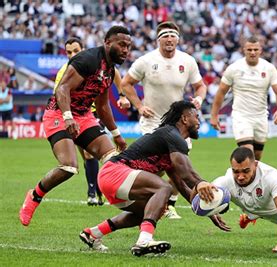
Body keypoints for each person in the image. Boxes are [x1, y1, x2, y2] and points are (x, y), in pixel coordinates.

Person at [80, 101, 229, 256]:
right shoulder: (173, 136)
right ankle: (144, 241)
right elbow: (187, 173)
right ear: (185, 119)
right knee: (164, 188)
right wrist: (201, 183)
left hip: (114, 180)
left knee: (152, 210)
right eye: (196, 117)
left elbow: (183, 185)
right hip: (115, 173)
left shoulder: (171, 142)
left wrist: (209, 210)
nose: (199, 121)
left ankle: (93, 234)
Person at [19, 26, 132, 227]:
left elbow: (104, 106)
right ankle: (34, 196)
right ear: (107, 42)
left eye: (128, 46)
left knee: (114, 160)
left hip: (84, 116)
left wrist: (116, 134)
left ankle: (122, 203)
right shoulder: (87, 59)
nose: (126, 50)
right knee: (69, 167)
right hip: (58, 113)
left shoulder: (109, 70)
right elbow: (62, 88)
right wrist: (68, 116)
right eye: (121, 44)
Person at [121, 21, 207, 219]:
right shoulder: (146, 60)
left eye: (173, 35)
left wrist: (199, 99)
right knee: (156, 168)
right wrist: (140, 106)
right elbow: (126, 84)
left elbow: (200, 86)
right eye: (165, 36)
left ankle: (169, 204)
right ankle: (130, 194)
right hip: (153, 123)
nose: (169, 39)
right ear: (158, 39)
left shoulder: (187, 61)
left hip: (179, 125)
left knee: (179, 166)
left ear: (178, 39)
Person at [54, 37, 131, 206]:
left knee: (93, 154)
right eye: (69, 52)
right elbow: (60, 93)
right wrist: (67, 116)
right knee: (85, 156)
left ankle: (94, 193)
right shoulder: (64, 72)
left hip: (94, 114)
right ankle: (96, 189)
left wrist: (122, 95)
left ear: (84, 49)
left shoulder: (97, 64)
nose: (73, 54)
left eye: (76, 50)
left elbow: (116, 75)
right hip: (75, 117)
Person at [210, 35, 277, 160]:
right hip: (241, 116)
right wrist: (214, 115)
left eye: (255, 50)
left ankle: (253, 179)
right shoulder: (234, 68)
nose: (252, 52)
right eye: (249, 50)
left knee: (256, 158)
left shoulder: (269, 68)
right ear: (244, 50)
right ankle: (239, 178)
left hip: (261, 116)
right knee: (247, 153)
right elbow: (221, 92)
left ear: (260, 50)